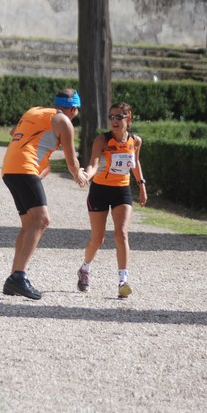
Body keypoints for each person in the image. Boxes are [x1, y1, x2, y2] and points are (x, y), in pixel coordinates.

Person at [1, 88, 89, 300]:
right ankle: (19, 277)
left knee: (29, 223)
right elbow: (71, 161)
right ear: (74, 109)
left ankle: (13, 277)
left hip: (9, 169)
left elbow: (14, 133)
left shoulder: (35, 111)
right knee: (42, 220)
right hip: (25, 168)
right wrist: (80, 175)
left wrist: (43, 159)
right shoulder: (64, 122)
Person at [77, 102, 147, 299]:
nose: (114, 121)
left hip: (122, 191)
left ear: (128, 118)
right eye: (111, 117)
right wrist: (87, 176)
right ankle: (85, 269)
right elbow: (93, 163)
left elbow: (136, 163)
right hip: (100, 190)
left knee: (121, 233)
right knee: (97, 239)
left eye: (119, 117)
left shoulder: (136, 141)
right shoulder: (102, 140)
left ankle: (123, 281)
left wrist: (141, 185)